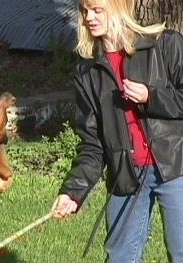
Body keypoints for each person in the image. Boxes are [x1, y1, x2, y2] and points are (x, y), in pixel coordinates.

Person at [51, 0, 183, 262]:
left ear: (119, 8)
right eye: (85, 10)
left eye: (98, 10)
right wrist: (73, 192)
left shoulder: (166, 45)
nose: (89, 17)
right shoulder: (87, 72)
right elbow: (92, 144)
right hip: (126, 174)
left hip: (175, 167)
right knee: (120, 256)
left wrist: (151, 97)